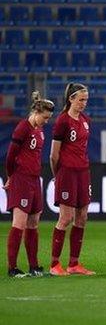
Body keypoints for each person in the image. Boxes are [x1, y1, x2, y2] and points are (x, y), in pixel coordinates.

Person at [4, 91, 54, 278]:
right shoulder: (22, 128)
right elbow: (10, 156)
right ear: (37, 112)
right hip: (22, 179)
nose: (46, 121)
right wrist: (11, 176)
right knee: (20, 223)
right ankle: (13, 268)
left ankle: (34, 266)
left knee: (33, 223)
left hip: (34, 179)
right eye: (45, 117)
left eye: (49, 118)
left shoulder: (39, 131)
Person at [49, 82, 95, 276]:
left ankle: (74, 264)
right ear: (71, 99)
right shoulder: (62, 121)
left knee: (82, 217)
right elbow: (53, 155)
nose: (84, 103)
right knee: (66, 217)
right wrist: (58, 175)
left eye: (86, 100)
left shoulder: (85, 120)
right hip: (67, 172)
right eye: (81, 99)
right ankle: (54, 265)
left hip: (83, 171)